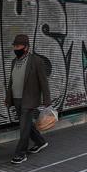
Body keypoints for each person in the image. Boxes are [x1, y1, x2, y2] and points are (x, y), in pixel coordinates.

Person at [5, 34, 52, 164]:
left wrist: (47, 100)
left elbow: (43, 82)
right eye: (14, 46)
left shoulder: (36, 61)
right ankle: (40, 142)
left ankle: (21, 154)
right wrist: (8, 98)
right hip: (16, 99)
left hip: (29, 99)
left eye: (18, 46)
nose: (15, 48)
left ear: (26, 47)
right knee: (27, 125)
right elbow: (12, 81)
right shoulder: (14, 62)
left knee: (23, 127)